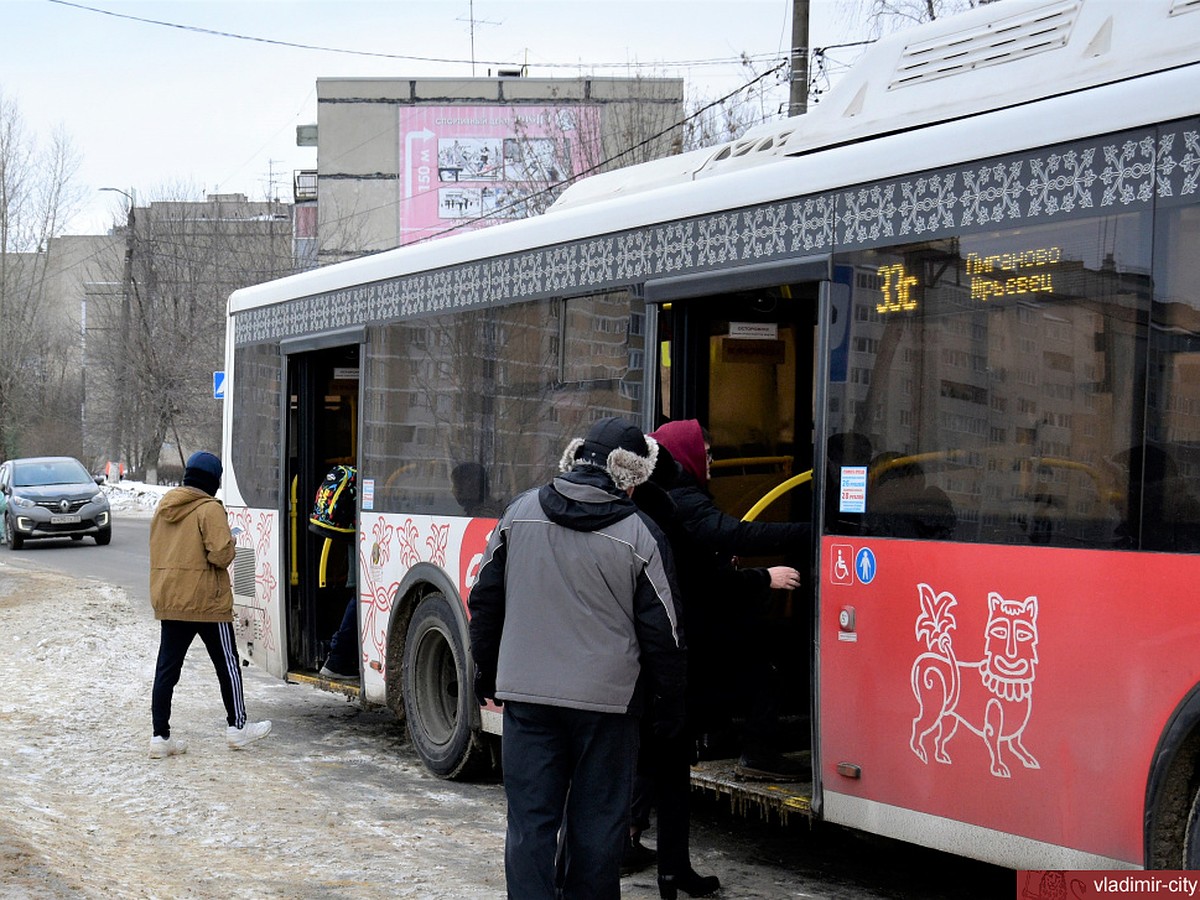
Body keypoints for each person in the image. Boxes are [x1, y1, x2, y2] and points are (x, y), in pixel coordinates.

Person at [468, 417, 687, 900]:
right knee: (597, 828)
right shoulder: (641, 534)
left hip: (527, 700)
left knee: (530, 825)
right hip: (606, 710)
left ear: (574, 459)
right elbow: (664, 635)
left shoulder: (518, 512)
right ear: (631, 477)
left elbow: (485, 599)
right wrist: (668, 708)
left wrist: (483, 669)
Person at [649, 419, 809, 782]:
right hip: (694, 622)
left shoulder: (668, 493)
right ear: (684, 456)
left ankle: (717, 733)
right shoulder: (682, 496)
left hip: (685, 619)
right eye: (704, 454)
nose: (710, 462)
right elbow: (732, 537)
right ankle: (759, 754)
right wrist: (808, 535)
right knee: (768, 658)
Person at [630, 443, 720, 898]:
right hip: (658, 670)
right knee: (668, 775)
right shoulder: (661, 522)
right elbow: (669, 610)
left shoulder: (621, 518)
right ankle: (671, 872)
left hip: (626, 671)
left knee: (634, 770)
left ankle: (646, 862)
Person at [149, 451, 272, 758]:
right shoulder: (209, 509)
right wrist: (229, 540)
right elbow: (221, 555)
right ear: (213, 481)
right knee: (227, 665)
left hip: (172, 599)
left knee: (167, 669)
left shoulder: (164, 508)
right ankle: (237, 728)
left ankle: (160, 737)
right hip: (207, 602)